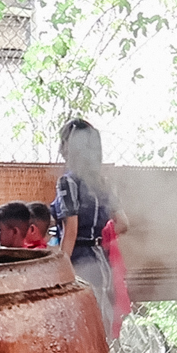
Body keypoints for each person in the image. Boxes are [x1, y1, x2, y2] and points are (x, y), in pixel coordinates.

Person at [52, 118, 118, 337]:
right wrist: (99, 239)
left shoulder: (68, 182)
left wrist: (57, 271)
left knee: (79, 332)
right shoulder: (103, 182)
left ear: (70, 148)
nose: (60, 148)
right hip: (102, 264)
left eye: (63, 142)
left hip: (79, 264)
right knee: (100, 330)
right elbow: (124, 223)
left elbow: (70, 231)